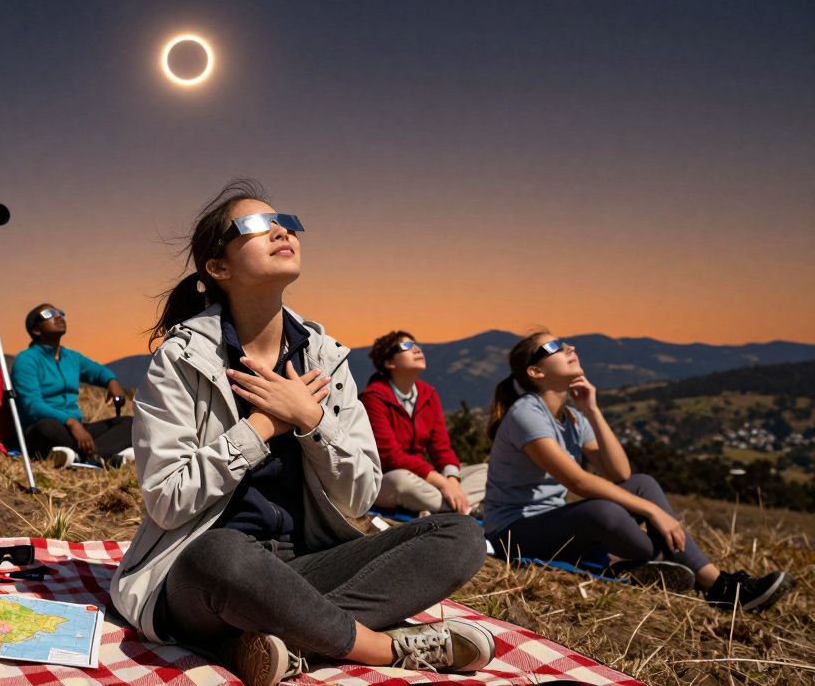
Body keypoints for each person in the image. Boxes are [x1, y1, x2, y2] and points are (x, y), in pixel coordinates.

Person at [109, 180, 494, 686]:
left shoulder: (325, 357)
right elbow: (167, 499)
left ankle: (271, 642)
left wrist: (313, 423)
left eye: (285, 221)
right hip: (204, 575)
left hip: (306, 564)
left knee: (460, 535)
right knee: (221, 553)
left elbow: (360, 495)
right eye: (252, 225)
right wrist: (264, 426)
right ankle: (380, 647)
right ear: (218, 268)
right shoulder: (182, 361)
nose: (278, 230)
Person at [483, 331, 793, 612]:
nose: (568, 346)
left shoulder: (574, 417)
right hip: (514, 533)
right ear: (536, 372)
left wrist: (593, 409)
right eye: (553, 346)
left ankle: (713, 582)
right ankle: (674, 570)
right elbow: (576, 480)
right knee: (603, 513)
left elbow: (621, 472)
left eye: (564, 341)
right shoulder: (527, 414)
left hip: (553, 525)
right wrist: (653, 513)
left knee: (642, 483)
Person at [361, 331, 486, 515]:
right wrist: (442, 483)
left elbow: (441, 448)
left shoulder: (429, 394)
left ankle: (448, 506)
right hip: (386, 479)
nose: (417, 349)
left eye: (416, 344)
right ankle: (463, 507)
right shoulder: (373, 398)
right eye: (407, 346)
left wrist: (451, 480)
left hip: (424, 478)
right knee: (401, 482)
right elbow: (390, 457)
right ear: (390, 363)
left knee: (487, 471)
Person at [10, 303, 133, 468]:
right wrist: (71, 423)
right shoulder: (26, 360)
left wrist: (112, 382)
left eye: (58, 312)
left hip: (76, 429)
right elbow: (32, 405)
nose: (58, 316)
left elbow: (98, 372)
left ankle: (88, 456)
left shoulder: (71, 357)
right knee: (47, 428)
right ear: (36, 330)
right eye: (49, 314)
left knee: (130, 423)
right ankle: (106, 455)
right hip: (46, 428)